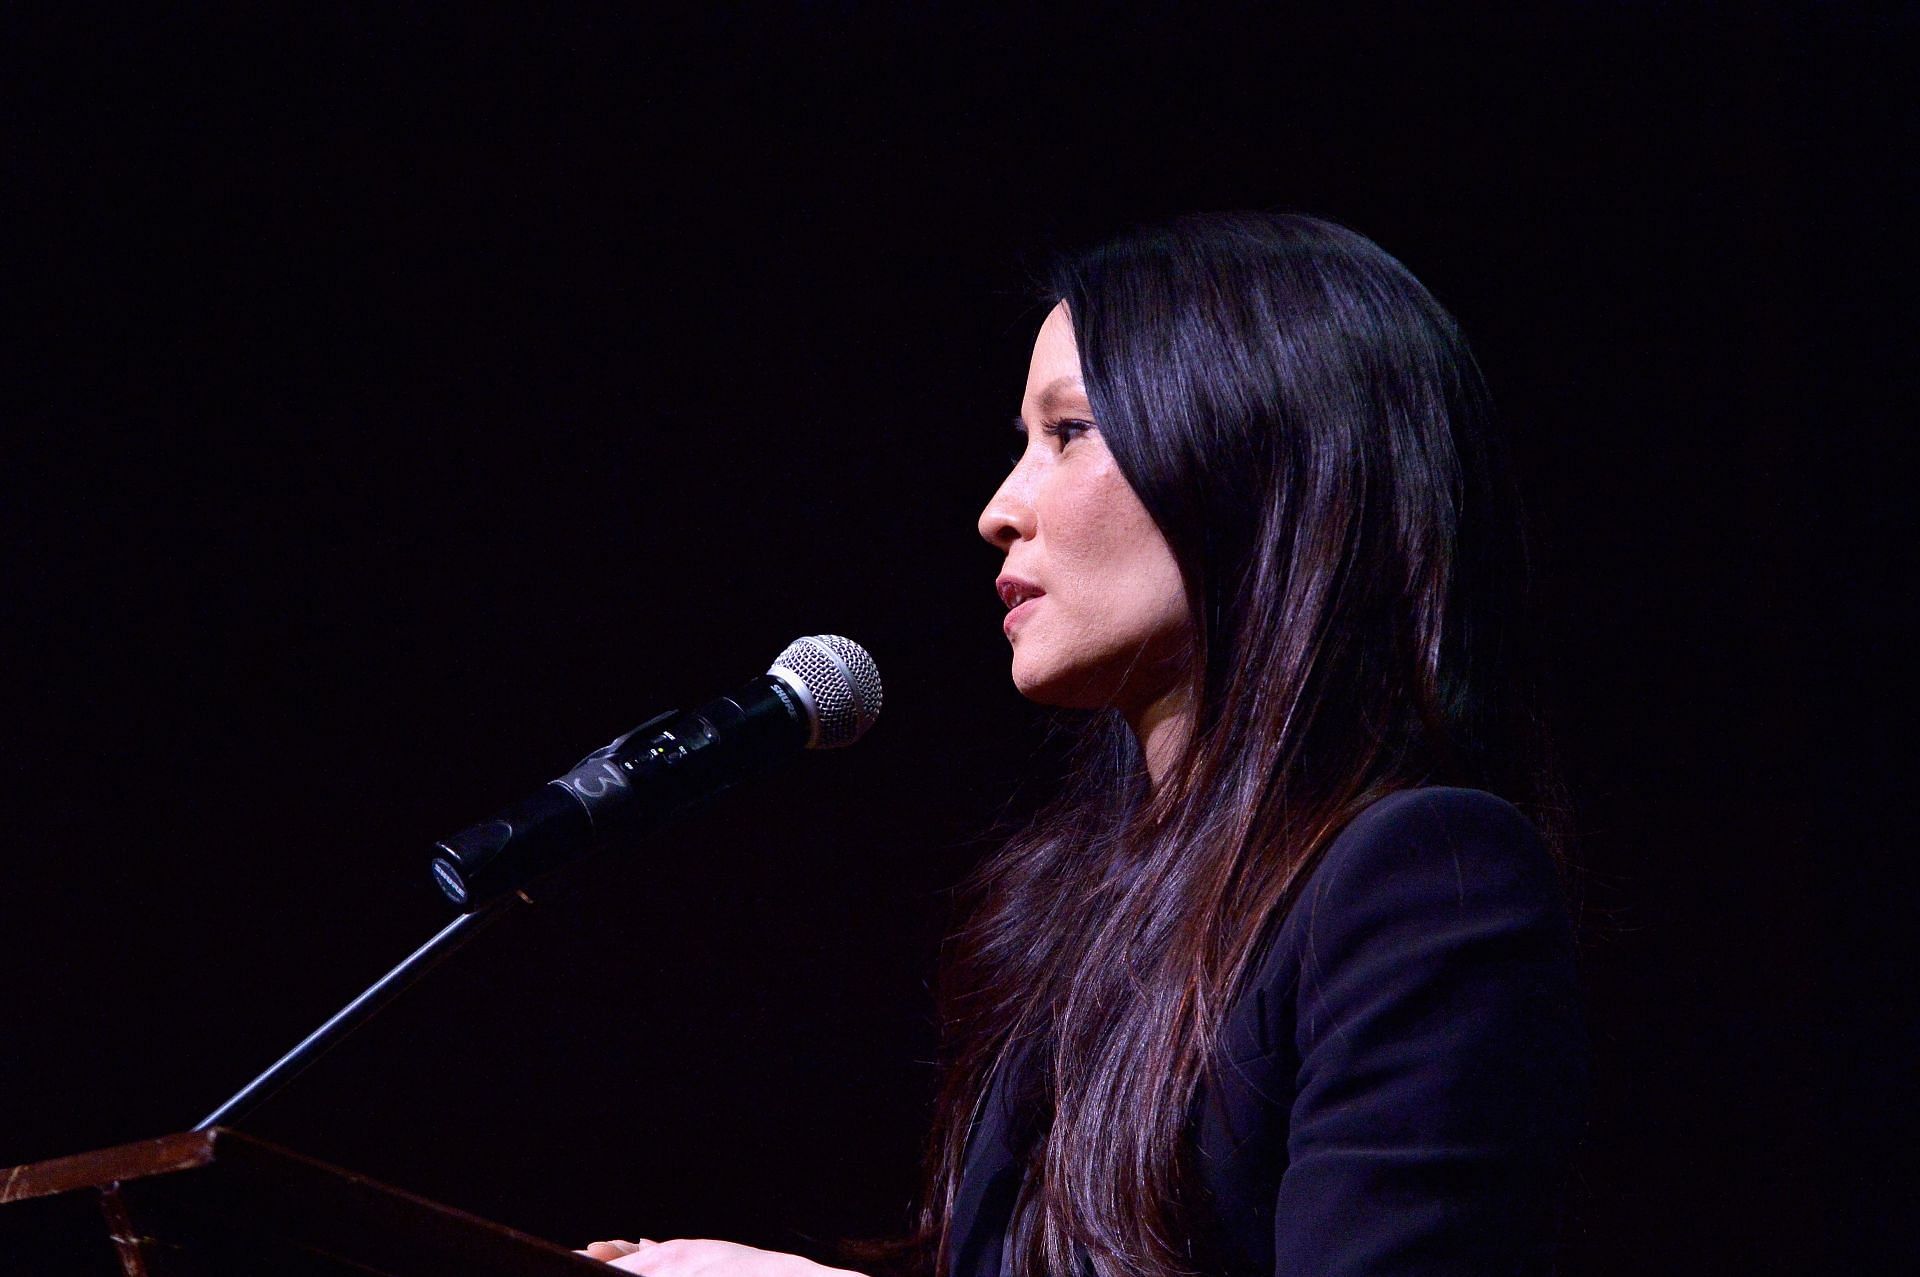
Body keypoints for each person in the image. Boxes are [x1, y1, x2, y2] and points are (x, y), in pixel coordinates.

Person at [581, 212, 1589, 1276]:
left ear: (1258, 461)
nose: (998, 510)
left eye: (1068, 432)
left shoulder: (1426, 878)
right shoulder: (1080, 910)